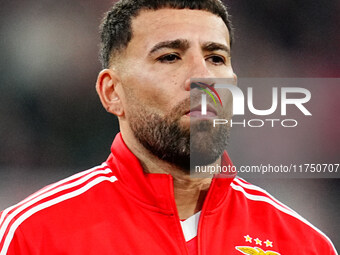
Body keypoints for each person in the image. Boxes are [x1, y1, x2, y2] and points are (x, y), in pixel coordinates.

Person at [0, 0, 337, 254]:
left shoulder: (302, 243)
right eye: (170, 57)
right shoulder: (33, 235)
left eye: (216, 58)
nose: (201, 77)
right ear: (112, 92)